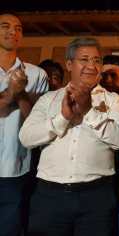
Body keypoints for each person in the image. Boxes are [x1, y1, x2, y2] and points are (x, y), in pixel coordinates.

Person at [19, 37, 119, 236]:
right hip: (49, 195)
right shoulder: (49, 99)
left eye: (96, 60)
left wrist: (89, 110)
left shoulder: (113, 100)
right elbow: (26, 137)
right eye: (84, 59)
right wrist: (62, 118)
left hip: (96, 196)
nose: (91, 66)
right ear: (69, 64)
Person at [0, 13, 48, 236]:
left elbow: (37, 122)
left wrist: (21, 96)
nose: (13, 32)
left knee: (10, 229)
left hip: (16, 169)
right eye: (5, 26)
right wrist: (12, 92)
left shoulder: (36, 74)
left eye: (18, 28)